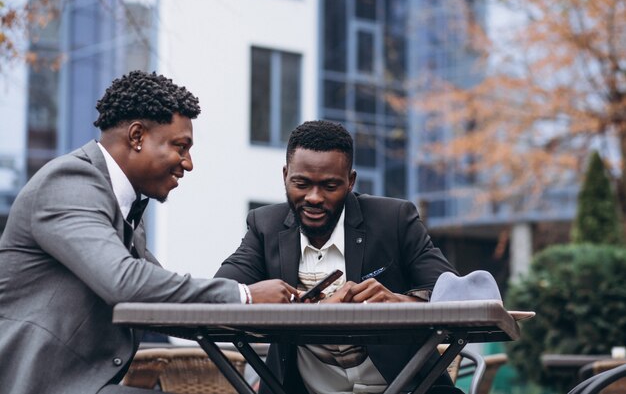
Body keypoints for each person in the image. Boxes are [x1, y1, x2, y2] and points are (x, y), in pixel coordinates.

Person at [0, 70, 298, 394]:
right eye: (180, 147)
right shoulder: (69, 182)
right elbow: (126, 282)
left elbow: (165, 301)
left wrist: (292, 305)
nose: (188, 163)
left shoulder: (123, 206)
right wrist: (246, 296)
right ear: (137, 136)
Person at [215, 120, 463, 394]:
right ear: (285, 175)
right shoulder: (264, 226)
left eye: (330, 186)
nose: (314, 197)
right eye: (301, 183)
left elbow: (455, 296)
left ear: (350, 181)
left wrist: (401, 303)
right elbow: (223, 292)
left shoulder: (394, 219)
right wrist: (288, 304)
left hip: (409, 387)